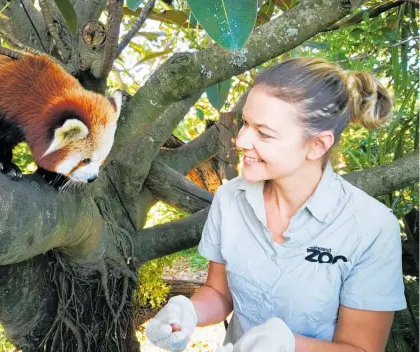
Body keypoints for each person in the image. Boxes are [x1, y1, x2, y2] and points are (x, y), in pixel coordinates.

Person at [145, 57, 407, 352]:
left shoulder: (371, 226)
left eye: (264, 133)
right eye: (245, 123)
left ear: (317, 145)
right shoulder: (230, 199)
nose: (241, 140)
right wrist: (188, 313)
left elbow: (362, 348)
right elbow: (219, 293)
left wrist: (289, 345)